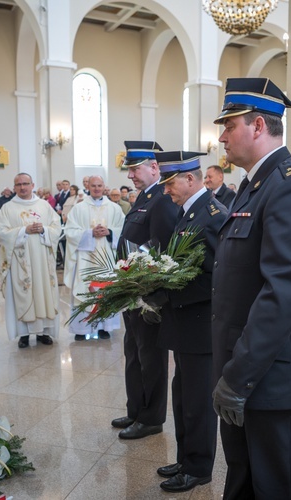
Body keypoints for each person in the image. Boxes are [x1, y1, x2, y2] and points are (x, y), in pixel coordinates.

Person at [210, 78, 291, 498]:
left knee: (275, 486)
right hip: (244, 367)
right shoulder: (253, 185)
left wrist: (237, 378)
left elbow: (284, 293)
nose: (221, 136)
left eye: (229, 125)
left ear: (258, 126)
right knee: (243, 479)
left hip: (270, 377)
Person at [145, 150, 227, 493]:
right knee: (182, 398)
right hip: (184, 326)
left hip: (200, 327)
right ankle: (184, 457)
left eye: (170, 183)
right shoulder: (190, 211)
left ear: (190, 179)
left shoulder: (213, 215)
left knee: (198, 403)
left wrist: (166, 291)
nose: (166, 191)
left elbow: (215, 278)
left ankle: (198, 467)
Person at [111, 141, 178, 440]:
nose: (130, 176)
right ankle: (136, 408)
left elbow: (162, 251)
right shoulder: (144, 198)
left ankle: (151, 418)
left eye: (134, 169)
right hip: (132, 292)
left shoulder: (162, 200)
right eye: (129, 170)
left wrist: (151, 297)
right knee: (134, 353)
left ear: (154, 167)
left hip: (146, 295)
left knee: (150, 358)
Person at [0, 173, 62, 348]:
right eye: (18, 184)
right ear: (14, 187)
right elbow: (0, 232)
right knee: (23, 294)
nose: (22, 187)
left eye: (26, 184)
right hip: (20, 261)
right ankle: (23, 334)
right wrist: (24, 231)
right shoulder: (8, 208)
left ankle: (43, 332)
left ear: (33, 185)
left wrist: (44, 230)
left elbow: (57, 227)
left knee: (43, 292)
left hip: (42, 261)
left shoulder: (44, 205)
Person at [64, 176, 125, 341]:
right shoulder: (78, 208)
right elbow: (69, 232)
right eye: (94, 186)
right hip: (85, 258)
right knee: (84, 290)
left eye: (99, 185)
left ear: (104, 186)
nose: (97, 188)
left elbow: (123, 229)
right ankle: (81, 330)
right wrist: (90, 233)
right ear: (88, 187)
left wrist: (110, 232)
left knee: (106, 291)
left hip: (107, 257)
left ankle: (105, 327)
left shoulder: (114, 208)